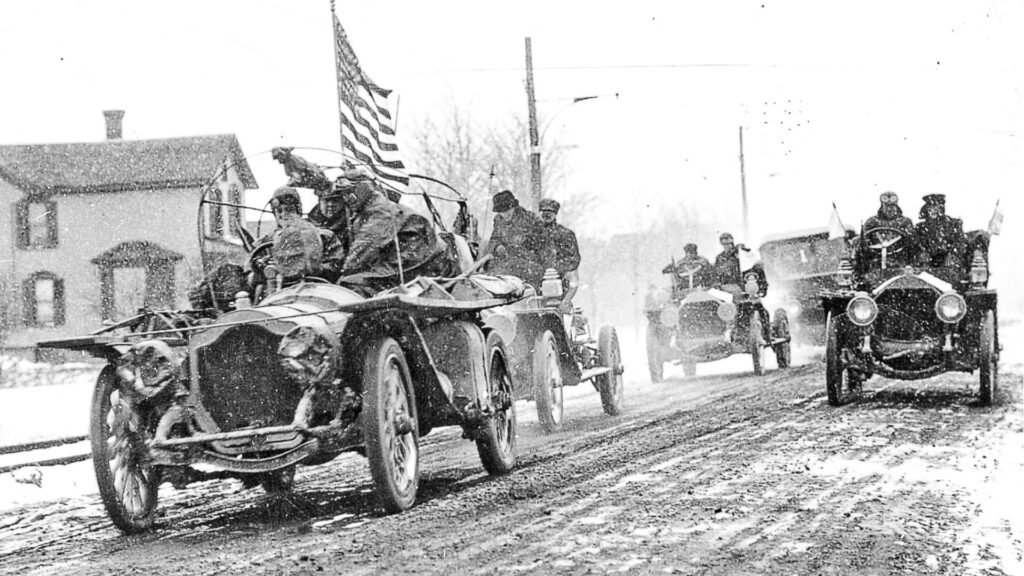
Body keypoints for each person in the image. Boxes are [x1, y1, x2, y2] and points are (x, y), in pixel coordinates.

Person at [336, 169, 454, 294]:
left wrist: (342, 273)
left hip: (421, 263)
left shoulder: (380, 210)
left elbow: (363, 249)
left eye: (350, 192)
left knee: (351, 282)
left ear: (364, 188)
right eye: (343, 194)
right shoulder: (366, 210)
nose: (347, 198)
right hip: (408, 259)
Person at [255, 186, 345, 288]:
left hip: (315, 288)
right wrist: (262, 267)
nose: (284, 214)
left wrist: (310, 267)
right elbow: (250, 275)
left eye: (289, 210)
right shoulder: (264, 243)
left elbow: (336, 267)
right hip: (276, 291)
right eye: (279, 210)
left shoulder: (324, 236)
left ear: (298, 211)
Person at [482, 190, 545, 287]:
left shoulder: (530, 218)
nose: (505, 214)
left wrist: (526, 242)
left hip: (527, 266)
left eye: (507, 210)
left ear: (513, 207)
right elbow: (494, 239)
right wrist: (497, 246)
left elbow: (542, 243)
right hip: (504, 266)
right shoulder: (498, 220)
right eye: (501, 212)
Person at [856, 191, 918, 273]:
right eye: (887, 206)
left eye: (892, 206)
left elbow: (911, 240)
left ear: (896, 206)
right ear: (882, 206)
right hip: (876, 258)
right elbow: (865, 240)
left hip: (900, 258)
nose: (889, 209)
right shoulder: (872, 222)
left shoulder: (905, 222)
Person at [537, 198, 581, 311]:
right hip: (535, 280)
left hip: (559, 281)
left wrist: (559, 269)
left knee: (558, 312)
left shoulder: (566, 234)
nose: (546, 215)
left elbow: (574, 259)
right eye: (544, 212)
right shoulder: (533, 234)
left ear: (555, 214)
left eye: (549, 213)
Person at [915, 193, 965, 269]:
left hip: (948, 261)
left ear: (941, 209)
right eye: (930, 209)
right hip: (928, 261)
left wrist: (952, 254)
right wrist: (922, 253)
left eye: (936, 209)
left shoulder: (954, 224)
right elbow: (916, 243)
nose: (933, 211)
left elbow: (960, 242)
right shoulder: (920, 227)